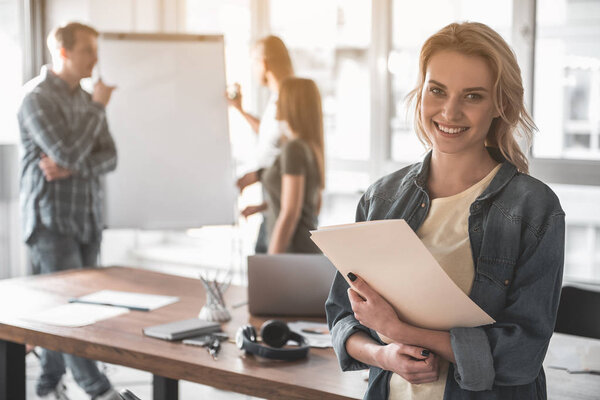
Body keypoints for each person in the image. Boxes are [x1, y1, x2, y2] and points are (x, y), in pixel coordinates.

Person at [326, 22, 565, 400]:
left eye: (472, 96)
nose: (449, 112)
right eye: (437, 90)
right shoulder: (381, 198)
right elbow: (342, 318)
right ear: (420, 92)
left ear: (500, 104)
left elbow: (522, 356)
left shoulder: (534, 209)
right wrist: (383, 354)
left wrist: (404, 332)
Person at [18, 22, 120, 400]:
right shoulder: (36, 98)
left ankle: (47, 385)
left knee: (75, 310)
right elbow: (68, 152)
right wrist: (96, 109)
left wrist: (73, 166)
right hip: (51, 222)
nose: (96, 58)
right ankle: (99, 390)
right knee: (70, 312)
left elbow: (110, 156)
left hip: (87, 218)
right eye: (88, 50)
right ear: (63, 52)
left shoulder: (84, 98)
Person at [243, 77, 325, 254]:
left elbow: (290, 213)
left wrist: (272, 261)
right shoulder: (308, 146)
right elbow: (307, 202)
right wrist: (263, 207)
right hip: (301, 252)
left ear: (291, 104)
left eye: (280, 98)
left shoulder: (294, 149)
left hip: (293, 252)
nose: (276, 102)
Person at [228, 35, 294, 253]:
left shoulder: (287, 99)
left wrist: (256, 175)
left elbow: (291, 156)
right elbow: (270, 134)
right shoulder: (276, 97)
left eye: (254, 62)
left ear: (264, 62)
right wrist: (240, 109)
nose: (253, 68)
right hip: (273, 200)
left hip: (284, 204)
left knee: (268, 267)